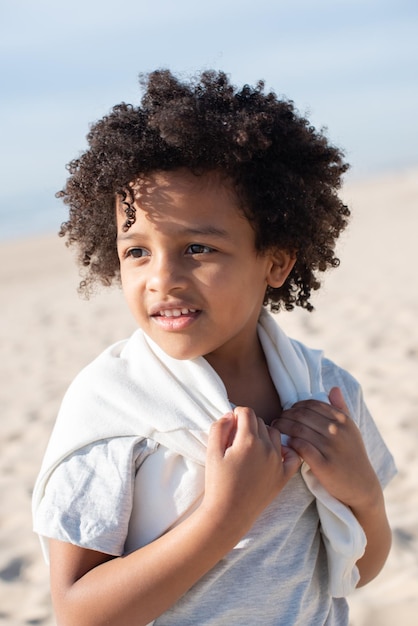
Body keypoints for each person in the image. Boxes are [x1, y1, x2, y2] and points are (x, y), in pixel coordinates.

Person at [32, 69, 396, 626]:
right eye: (136, 252)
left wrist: (364, 495)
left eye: (197, 247)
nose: (162, 278)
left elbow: (358, 570)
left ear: (275, 260)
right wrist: (224, 517)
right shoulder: (113, 407)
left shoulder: (328, 393)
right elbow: (80, 612)